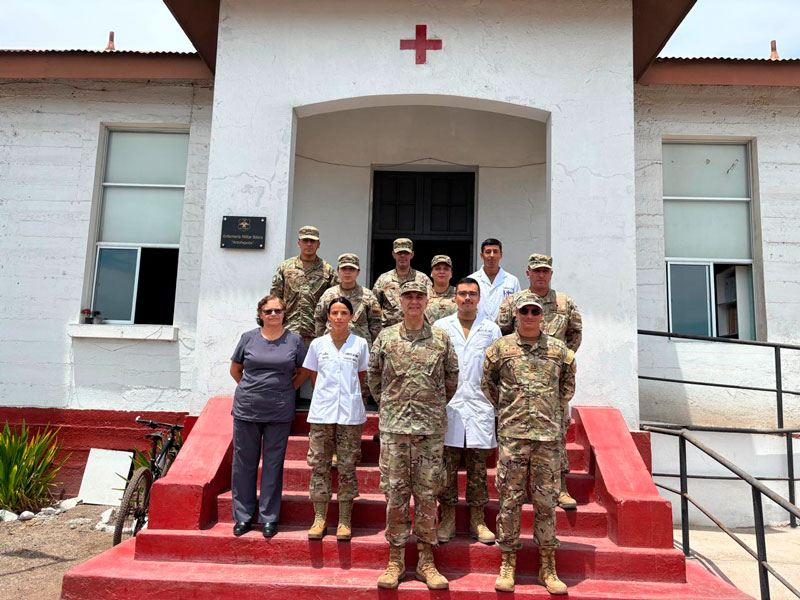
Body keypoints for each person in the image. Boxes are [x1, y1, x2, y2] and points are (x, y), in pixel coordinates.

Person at [482, 292, 576, 594]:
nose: (530, 316)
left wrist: (545, 410)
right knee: (509, 502)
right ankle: (507, 561)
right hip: (513, 436)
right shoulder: (500, 350)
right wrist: (512, 409)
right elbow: (489, 385)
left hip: (547, 438)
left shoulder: (560, 352)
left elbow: (566, 388)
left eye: (535, 311)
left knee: (546, 504)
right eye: (525, 311)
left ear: (542, 316)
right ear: (516, 315)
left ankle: (547, 565)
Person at [368, 280, 459, 590]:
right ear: (400, 300)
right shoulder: (386, 337)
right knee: (395, 494)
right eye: (408, 296)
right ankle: (395, 559)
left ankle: (425, 560)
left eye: (420, 296)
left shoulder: (441, 339)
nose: (414, 301)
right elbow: (374, 378)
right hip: (394, 430)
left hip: (429, 430)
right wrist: (393, 407)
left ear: (427, 299)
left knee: (427, 495)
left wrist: (428, 406)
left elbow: (451, 380)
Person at [495, 253, 582, 508]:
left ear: (551, 274)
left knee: (556, 436)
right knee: (516, 439)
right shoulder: (514, 302)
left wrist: (556, 362)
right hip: (518, 386)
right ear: (527, 274)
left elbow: (575, 335)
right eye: (536, 271)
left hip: (550, 383)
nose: (541, 275)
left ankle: (560, 487)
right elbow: (501, 336)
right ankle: (518, 488)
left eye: (545, 271)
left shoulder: (565, 304)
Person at [229, 295, 308, 538]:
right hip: (247, 409)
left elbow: (303, 371)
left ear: (285, 313)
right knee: (244, 464)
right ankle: (243, 517)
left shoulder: (294, 340)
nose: (273, 315)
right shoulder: (248, 338)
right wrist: (250, 389)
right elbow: (235, 369)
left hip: (279, 410)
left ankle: (269, 518)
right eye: (268, 311)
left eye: (277, 310)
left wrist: (285, 390)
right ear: (260, 314)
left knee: (273, 464)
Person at [433, 277, 501, 546]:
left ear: (479, 298)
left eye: (472, 294)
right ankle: (447, 517)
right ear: (455, 298)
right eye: (462, 294)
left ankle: (478, 519)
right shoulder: (440, 327)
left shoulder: (491, 330)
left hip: (479, 405)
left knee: (477, 467)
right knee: (447, 467)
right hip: (449, 405)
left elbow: (496, 371)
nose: (467, 298)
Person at [303, 297, 369, 541]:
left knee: (347, 467)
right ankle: (319, 518)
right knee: (319, 466)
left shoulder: (360, 344)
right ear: (328, 316)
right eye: (335, 313)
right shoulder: (318, 345)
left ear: (351, 317)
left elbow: (361, 376)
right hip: (322, 413)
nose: (339, 317)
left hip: (350, 415)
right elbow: (313, 376)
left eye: (344, 313)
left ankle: (344, 520)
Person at [270, 225, 338, 348]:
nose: (308, 244)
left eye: (312, 241)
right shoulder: (285, 267)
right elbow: (275, 299)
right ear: (298, 243)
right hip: (289, 329)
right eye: (305, 240)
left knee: (312, 367)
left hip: (317, 332)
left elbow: (335, 303)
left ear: (318, 244)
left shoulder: (327, 270)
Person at [314, 253, 382, 348]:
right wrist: (323, 340)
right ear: (338, 271)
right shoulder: (328, 294)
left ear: (358, 272)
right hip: (331, 346)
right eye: (344, 269)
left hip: (359, 348)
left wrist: (369, 345)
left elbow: (376, 324)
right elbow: (319, 319)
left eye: (352, 269)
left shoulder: (367, 296)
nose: (347, 272)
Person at [372, 238, 432, 329]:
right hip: (389, 333)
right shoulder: (383, 279)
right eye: (399, 253)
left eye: (406, 253)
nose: (403, 256)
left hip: (416, 330)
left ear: (412, 255)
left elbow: (430, 305)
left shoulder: (423, 279)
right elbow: (374, 308)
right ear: (393, 254)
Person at [469, 238, 520, 322]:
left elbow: (518, 309)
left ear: (501, 255)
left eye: (495, 252)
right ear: (481, 255)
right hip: (478, 329)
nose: (492, 255)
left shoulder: (512, 280)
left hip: (505, 332)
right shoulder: (472, 279)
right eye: (488, 252)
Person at [424, 255, 458, 324]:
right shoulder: (423, 294)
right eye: (437, 268)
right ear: (431, 273)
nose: (442, 271)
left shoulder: (459, 293)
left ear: (451, 273)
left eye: (446, 269)